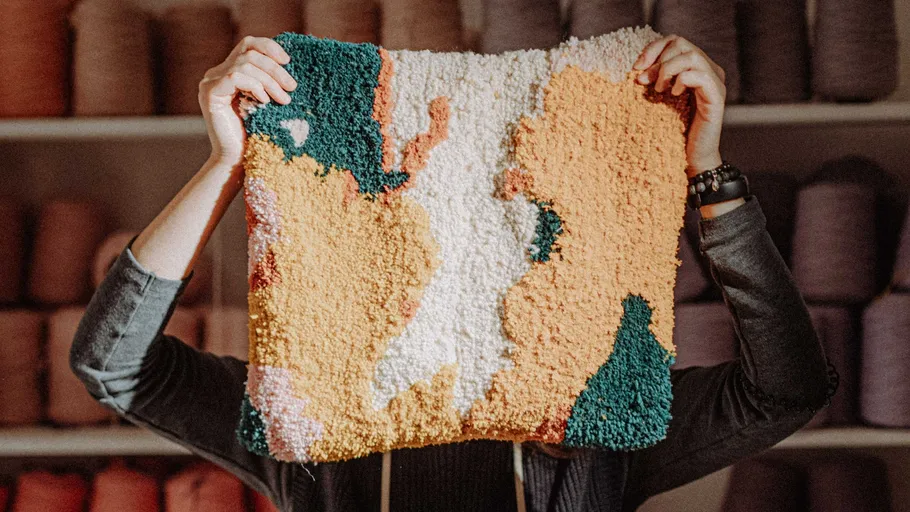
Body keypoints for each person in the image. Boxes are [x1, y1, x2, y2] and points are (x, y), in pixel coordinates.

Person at [71, 34, 835, 511]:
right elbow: (111, 363)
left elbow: (788, 386)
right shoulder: (315, 407)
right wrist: (229, 164)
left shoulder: (596, 415)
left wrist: (708, 175)